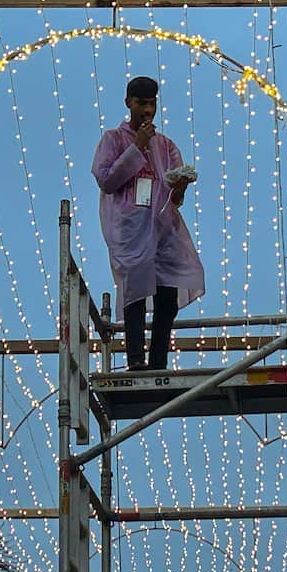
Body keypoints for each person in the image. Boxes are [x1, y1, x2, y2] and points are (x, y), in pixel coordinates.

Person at [92, 76, 205, 371]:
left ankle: (158, 362)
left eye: (152, 104)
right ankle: (136, 359)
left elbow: (175, 190)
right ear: (129, 102)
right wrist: (136, 147)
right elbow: (106, 180)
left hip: (163, 227)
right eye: (142, 103)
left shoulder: (165, 145)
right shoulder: (113, 140)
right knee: (136, 292)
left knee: (168, 292)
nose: (148, 110)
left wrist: (180, 185)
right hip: (130, 228)